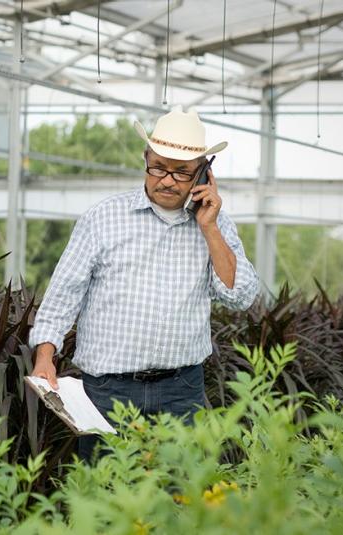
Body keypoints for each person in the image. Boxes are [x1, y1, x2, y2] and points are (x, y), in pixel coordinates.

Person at [27, 105, 260, 464]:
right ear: (145, 158)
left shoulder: (215, 226)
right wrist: (45, 357)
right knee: (106, 499)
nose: (166, 180)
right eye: (158, 167)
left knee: (182, 500)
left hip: (181, 390)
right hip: (107, 390)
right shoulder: (103, 218)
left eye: (181, 172)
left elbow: (240, 295)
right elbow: (62, 296)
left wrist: (210, 227)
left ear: (204, 173)